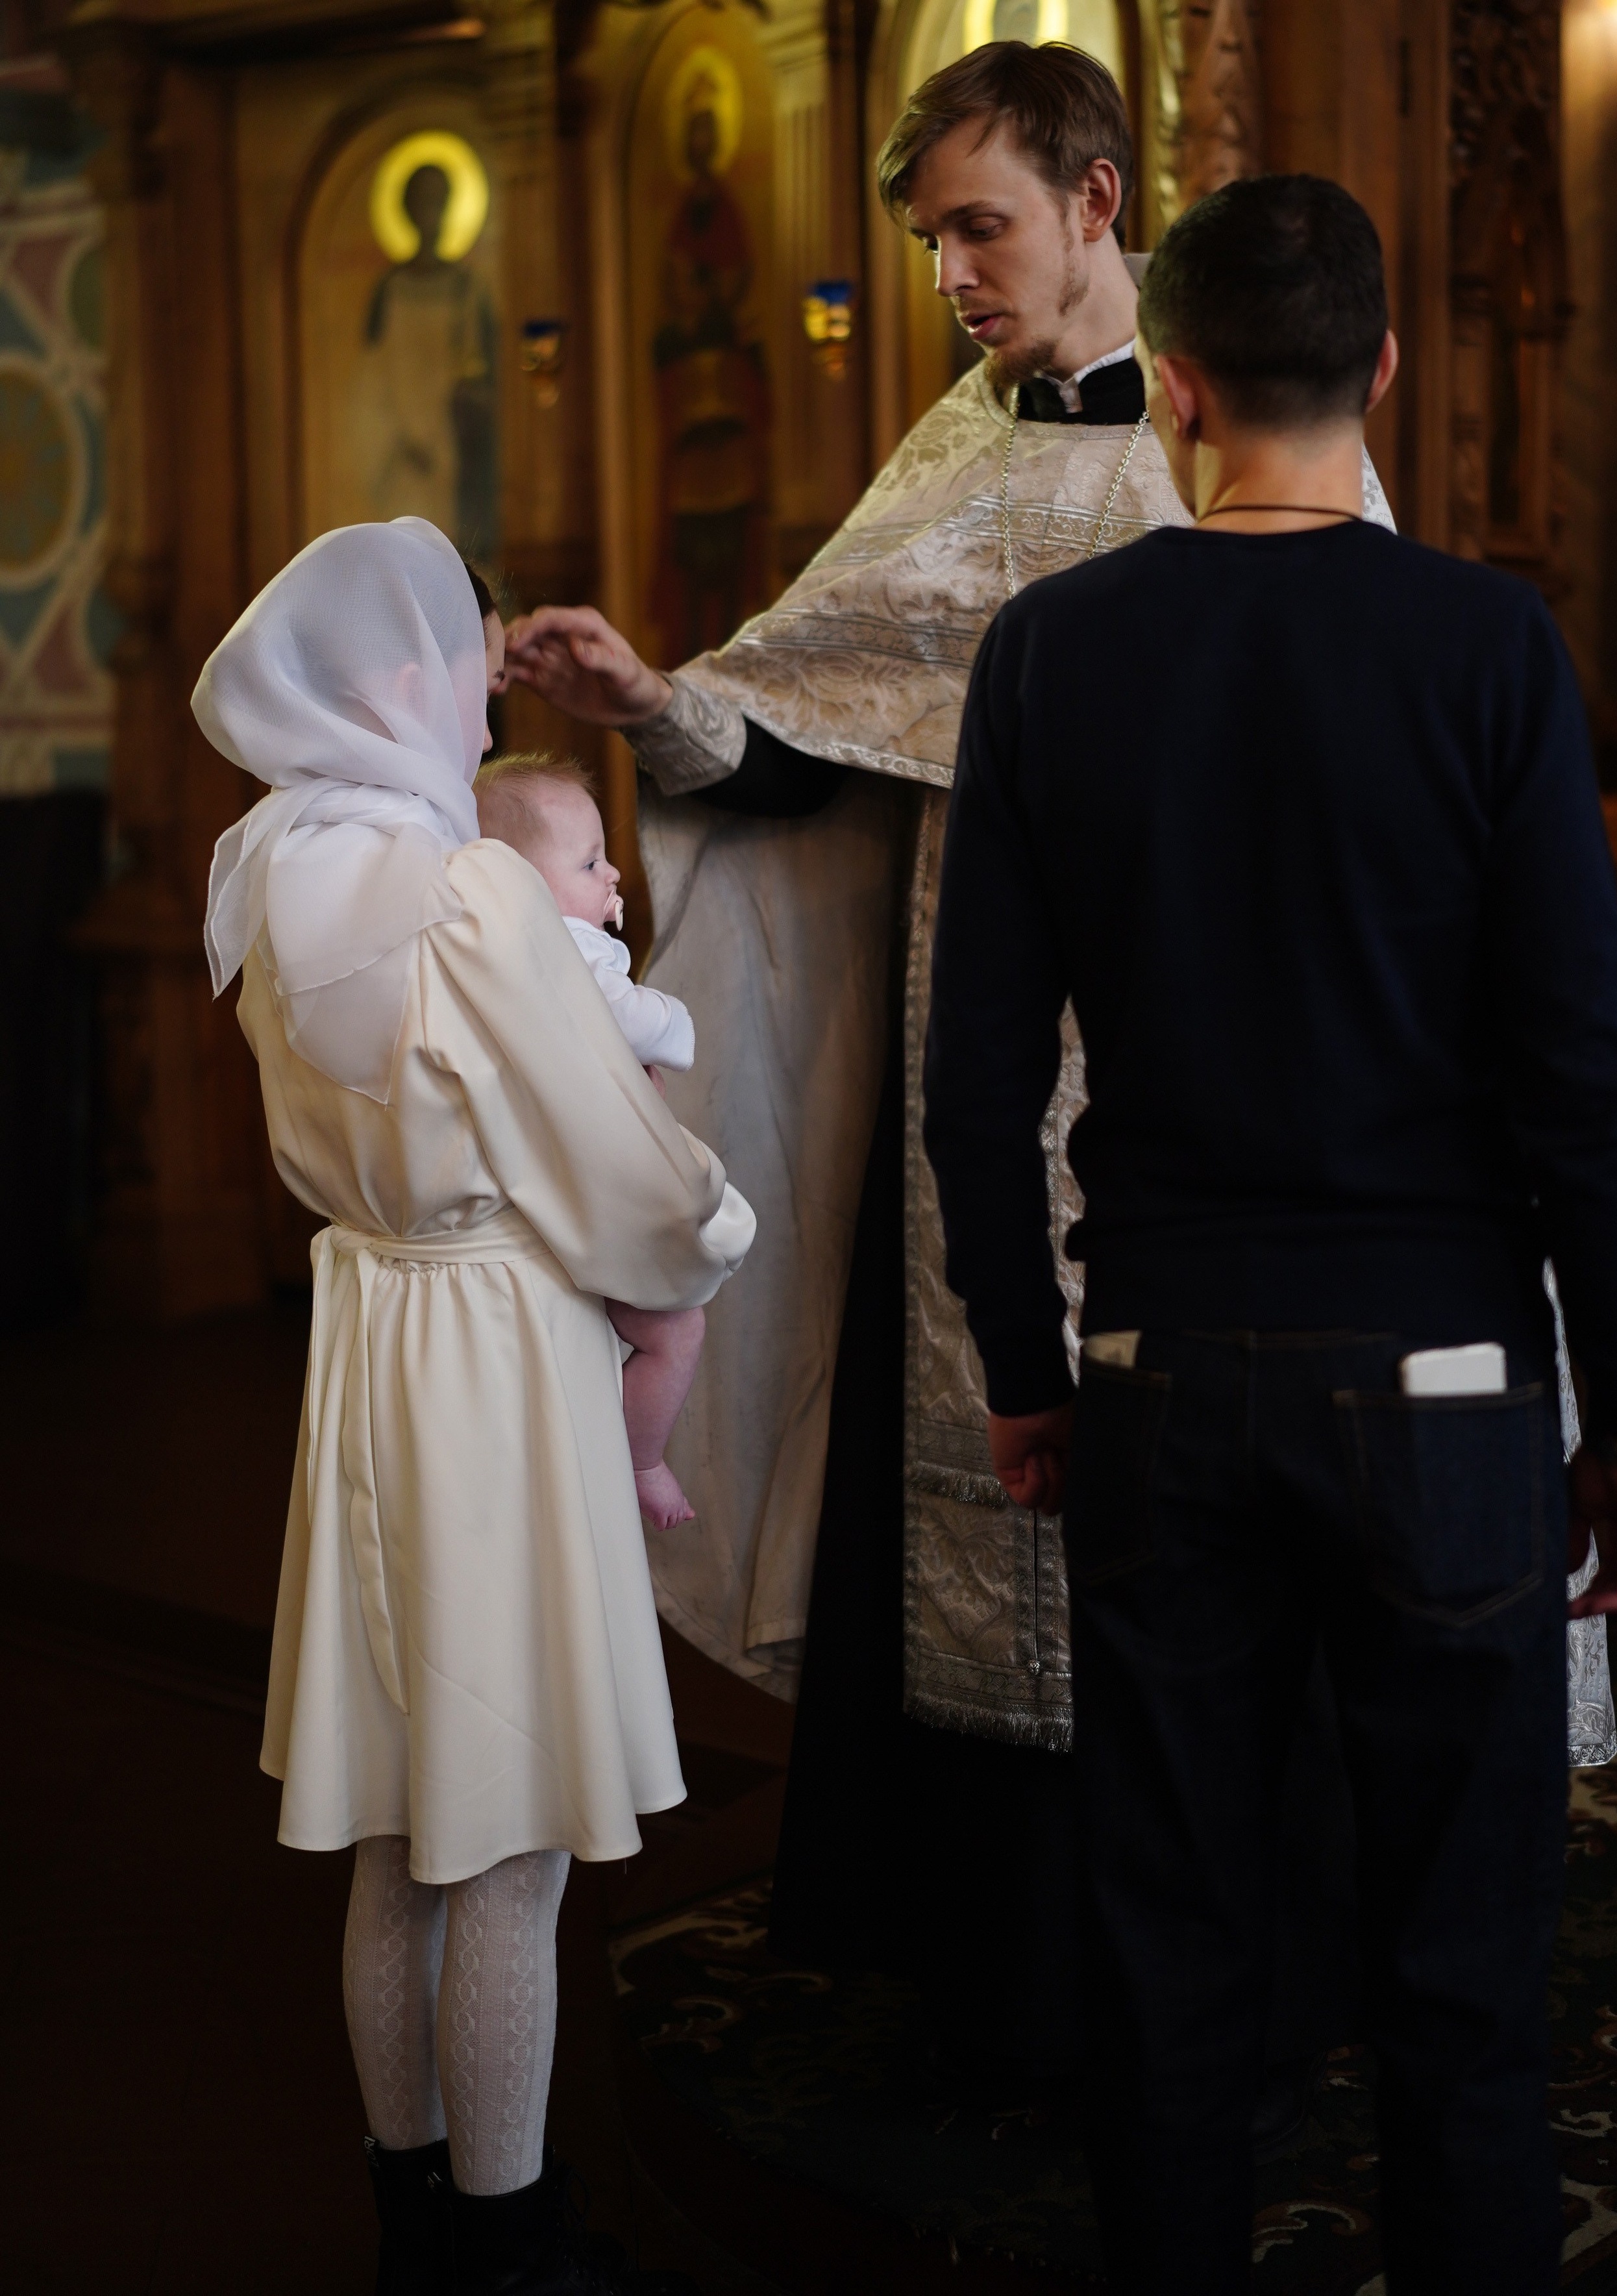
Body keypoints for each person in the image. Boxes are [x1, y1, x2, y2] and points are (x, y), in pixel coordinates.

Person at [503, 40, 1394, 2092]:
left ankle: (1242, 1947)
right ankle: (1000, 1948)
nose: (951, 278)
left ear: (1098, 200)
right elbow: (812, 715)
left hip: (1196, 1065)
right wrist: (656, 699)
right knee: (976, 1456)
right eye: (927, 243)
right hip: (978, 1059)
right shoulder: (956, 441)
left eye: (977, 228)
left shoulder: (1253, 415)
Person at [922, 173, 1617, 2292]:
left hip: (1161, 1383)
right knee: (1464, 1977)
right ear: (1388, 370)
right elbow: (1586, 1081)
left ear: (1175, 387)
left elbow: (980, 1082)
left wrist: (1028, 1369)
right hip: (1444, 1391)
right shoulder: (1489, 644)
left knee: (1173, 1960)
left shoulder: (1057, 650)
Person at [197, 518, 752, 2296]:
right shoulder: (467, 892)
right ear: (397, 682)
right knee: (506, 1837)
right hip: (495, 1346)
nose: (466, 684)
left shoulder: (268, 872)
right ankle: (510, 2251)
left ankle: (412, 2206)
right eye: (452, 656)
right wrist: (711, 1223)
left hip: (369, 1328)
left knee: (395, 1829)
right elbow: (607, 1151)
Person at [476, 751, 705, 1530]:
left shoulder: (519, 947)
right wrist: (677, 1021)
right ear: (523, 891)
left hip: (569, 1188)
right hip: (592, 1194)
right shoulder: (560, 949)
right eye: (588, 861)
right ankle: (639, 1458)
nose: (612, 875)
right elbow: (633, 1018)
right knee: (675, 1329)